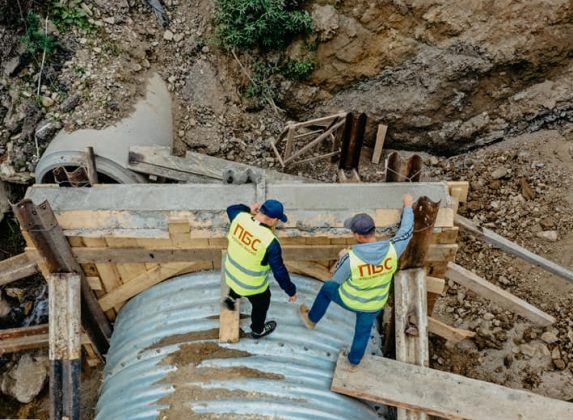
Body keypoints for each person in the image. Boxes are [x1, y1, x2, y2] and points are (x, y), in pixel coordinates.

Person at [299, 193, 415, 368]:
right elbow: (406, 232)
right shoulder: (393, 250)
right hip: (374, 304)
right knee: (362, 333)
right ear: (373, 230)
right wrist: (407, 206)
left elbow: (336, 279)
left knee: (327, 289)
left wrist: (341, 258)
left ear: (358, 236)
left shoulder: (350, 258)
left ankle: (311, 319)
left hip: (349, 299)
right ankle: (353, 363)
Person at [224, 199, 298, 339]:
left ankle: (231, 298)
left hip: (230, 275)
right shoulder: (270, 242)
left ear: (260, 211)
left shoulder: (239, 217)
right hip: (252, 287)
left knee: (239, 281)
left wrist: (248, 209)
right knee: (262, 304)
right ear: (274, 219)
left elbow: (231, 207)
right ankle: (258, 330)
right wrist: (291, 290)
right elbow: (279, 272)